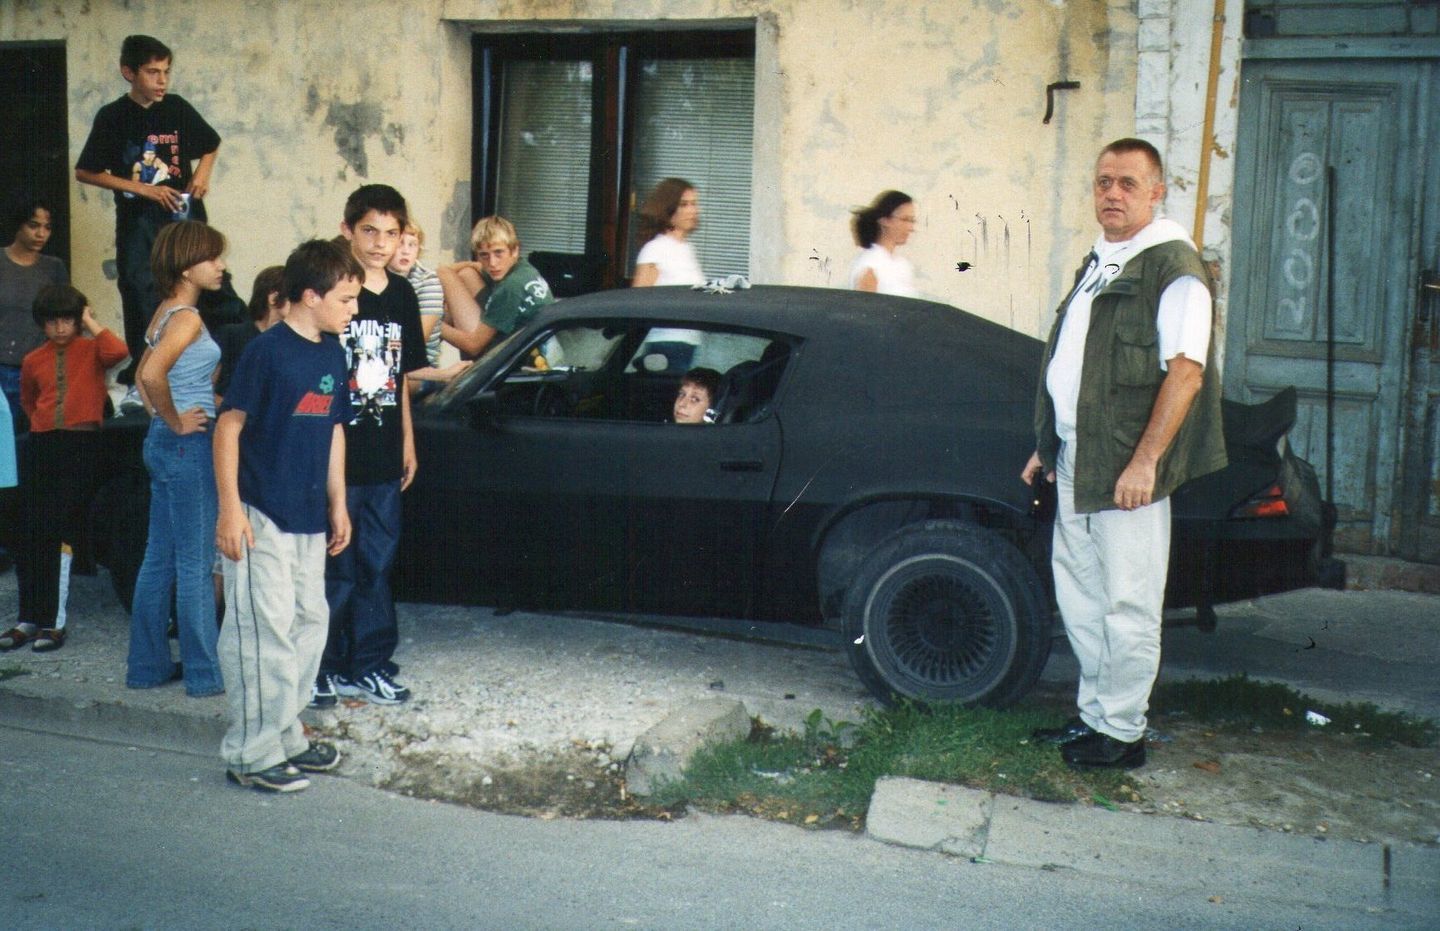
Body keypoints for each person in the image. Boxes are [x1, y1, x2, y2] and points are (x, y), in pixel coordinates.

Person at [1022, 138, 1226, 770]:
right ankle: (1095, 719)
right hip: (1080, 454)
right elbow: (1079, 362)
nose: (1112, 194)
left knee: (1128, 602)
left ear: (1157, 192)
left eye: (1128, 184)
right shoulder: (1107, 258)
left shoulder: (1173, 268)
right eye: (1103, 181)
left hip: (1127, 467)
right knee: (1081, 595)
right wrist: (1047, 444)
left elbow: (1185, 374)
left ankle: (1124, 732)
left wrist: (1145, 463)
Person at [215, 239, 359, 792]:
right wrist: (231, 511)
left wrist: (338, 501)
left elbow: (333, 431)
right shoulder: (266, 352)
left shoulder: (331, 352)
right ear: (309, 295)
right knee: (261, 633)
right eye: (346, 300)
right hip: (261, 513)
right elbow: (228, 428)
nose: (353, 310)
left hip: (309, 516)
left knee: (307, 624)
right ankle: (251, 754)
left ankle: (285, 736)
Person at [314, 184, 426, 708]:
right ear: (347, 230)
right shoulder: (331, 290)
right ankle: (321, 664)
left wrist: (407, 440)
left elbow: (400, 375)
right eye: (369, 232)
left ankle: (370, 662)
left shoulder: (401, 294)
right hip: (335, 453)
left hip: (383, 452)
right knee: (335, 565)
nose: (381, 244)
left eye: (391, 233)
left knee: (378, 562)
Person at [75, 34, 221, 404]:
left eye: (166, 72)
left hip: (182, 218)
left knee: (196, 287)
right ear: (129, 72)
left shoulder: (176, 108)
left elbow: (210, 142)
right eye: (152, 72)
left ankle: (196, 371)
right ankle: (145, 375)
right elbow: (86, 171)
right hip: (138, 219)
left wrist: (202, 174)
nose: (161, 81)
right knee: (140, 288)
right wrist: (144, 190)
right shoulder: (113, 116)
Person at [125, 220, 227, 698]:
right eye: (214, 258)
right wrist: (177, 418)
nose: (221, 266)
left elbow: (144, 373)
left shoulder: (164, 311)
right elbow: (153, 375)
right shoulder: (185, 316)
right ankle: (205, 676)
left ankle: (146, 668)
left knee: (157, 559)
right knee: (195, 564)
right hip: (187, 445)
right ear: (188, 266)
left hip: (163, 444)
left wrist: (161, 418)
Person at [0, 286, 126, 653]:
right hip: (43, 444)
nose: (59, 327)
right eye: (52, 320)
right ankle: (27, 618)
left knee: (62, 530)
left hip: (81, 445)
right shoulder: (33, 359)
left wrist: (88, 319)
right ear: (42, 324)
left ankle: (53, 623)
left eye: (67, 319)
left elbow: (119, 351)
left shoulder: (91, 350)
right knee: (31, 530)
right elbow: (27, 400)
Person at [437, 216, 555, 359]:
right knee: (466, 274)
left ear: (514, 250)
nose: (492, 263)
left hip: (513, 359)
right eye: (484, 255)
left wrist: (435, 325)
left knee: (443, 273)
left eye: (498, 253)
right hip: (523, 344)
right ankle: (427, 344)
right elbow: (475, 266)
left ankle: (425, 333)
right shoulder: (523, 267)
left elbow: (473, 346)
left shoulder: (510, 287)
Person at [0, 196, 69, 423]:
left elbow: (68, 316)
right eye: (33, 226)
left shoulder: (54, 267)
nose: (41, 234)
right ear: (17, 224)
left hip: (42, 372)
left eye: (47, 227)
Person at [390, 222, 468, 392]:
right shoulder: (375, 278)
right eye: (399, 244)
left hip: (422, 372)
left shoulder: (427, 281)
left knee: (389, 388)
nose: (406, 251)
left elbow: (414, 345)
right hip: (382, 365)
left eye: (412, 244)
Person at [215, 266, 285, 401]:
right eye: (293, 298)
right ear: (274, 298)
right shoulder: (232, 334)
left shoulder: (291, 341)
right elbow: (210, 386)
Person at [631, 178, 704, 287]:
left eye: (694, 203)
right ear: (667, 208)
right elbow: (638, 300)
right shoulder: (654, 250)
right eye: (684, 204)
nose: (693, 211)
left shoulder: (687, 248)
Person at [849, 190, 918, 297]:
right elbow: (865, 309)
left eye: (912, 221)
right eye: (904, 220)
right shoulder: (870, 264)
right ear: (885, 220)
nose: (910, 227)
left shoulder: (903, 265)